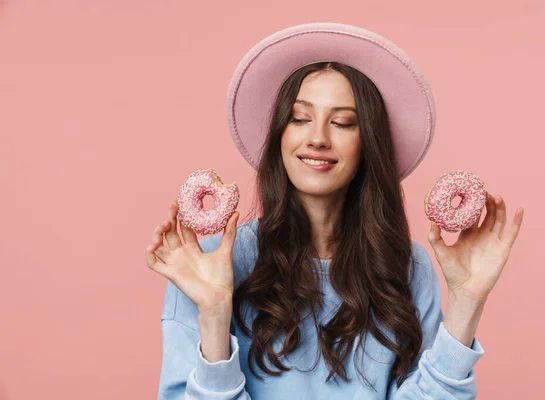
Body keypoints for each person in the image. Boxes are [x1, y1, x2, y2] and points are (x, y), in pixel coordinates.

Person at [147, 23, 524, 399]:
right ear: (280, 133)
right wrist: (214, 315)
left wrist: (466, 304)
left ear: (368, 144)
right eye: (299, 118)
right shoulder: (207, 264)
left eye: (343, 122)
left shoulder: (408, 267)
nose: (318, 138)